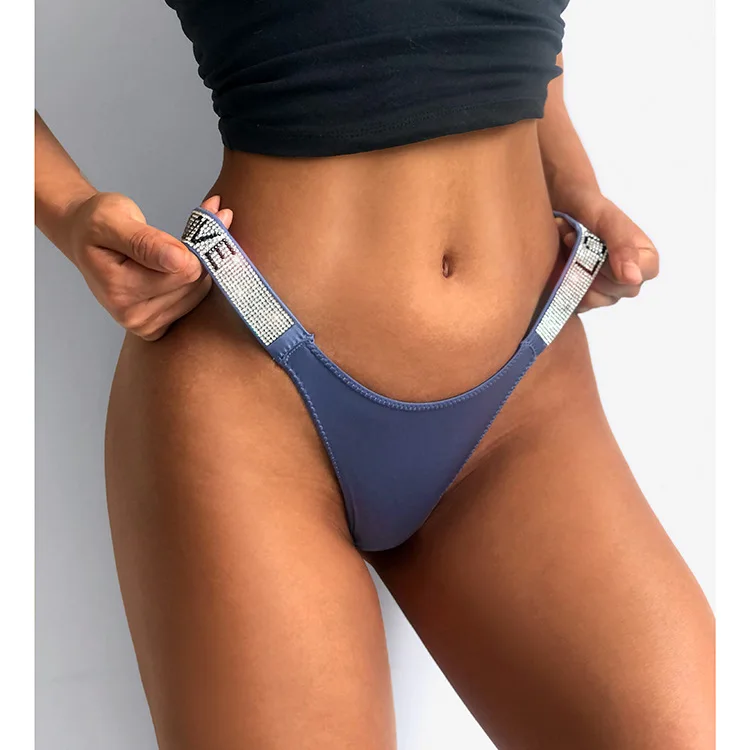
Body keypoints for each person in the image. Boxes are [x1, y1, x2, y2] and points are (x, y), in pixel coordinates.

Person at [35, 1, 713, 748]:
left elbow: (511, 40)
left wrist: (575, 185)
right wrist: (69, 211)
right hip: (257, 399)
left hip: (524, 397)